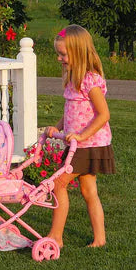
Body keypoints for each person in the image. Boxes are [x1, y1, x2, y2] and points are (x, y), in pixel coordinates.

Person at [41, 24, 115, 248]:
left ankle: (56, 237)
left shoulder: (89, 81)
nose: (59, 59)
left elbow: (104, 114)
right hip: (79, 144)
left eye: (63, 54)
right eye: (59, 54)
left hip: (89, 145)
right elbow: (70, 113)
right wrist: (56, 128)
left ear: (78, 52)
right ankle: (100, 239)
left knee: (58, 184)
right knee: (88, 190)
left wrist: (82, 136)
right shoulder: (74, 79)